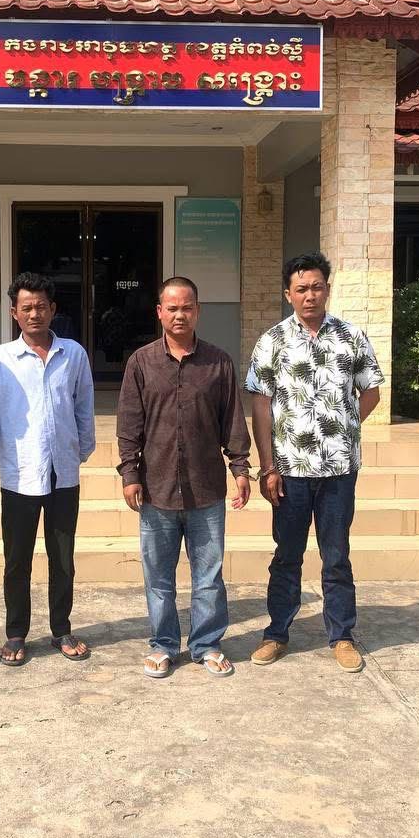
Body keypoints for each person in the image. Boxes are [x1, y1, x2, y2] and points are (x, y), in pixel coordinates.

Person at [246, 251, 385, 673]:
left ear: (327, 289)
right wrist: (267, 466)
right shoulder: (272, 341)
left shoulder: (351, 336)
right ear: (288, 294)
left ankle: (341, 636)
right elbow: (261, 405)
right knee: (287, 555)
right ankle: (276, 633)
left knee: (337, 555)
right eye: (301, 288)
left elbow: (371, 390)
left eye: (317, 287)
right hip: (289, 471)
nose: (310, 295)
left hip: (339, 470)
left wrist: (345, 425)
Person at [116, 277, 251, 679]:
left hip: (205, 488)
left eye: (187, 307)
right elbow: (129, 424)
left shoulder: (218, 363)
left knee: (208, 577)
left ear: (198, 311)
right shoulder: (141, 362)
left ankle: (206, 644)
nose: (180, 315)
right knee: (158, 578)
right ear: (159, 312)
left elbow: (232, 420)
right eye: (172, 308)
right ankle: (163, 645)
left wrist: (240, 468)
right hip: (156, 489)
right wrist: (129, 472)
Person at [0, 271, 95, 666]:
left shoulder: (73, 354)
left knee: (63, 559)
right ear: (14, 313)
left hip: (63, 475)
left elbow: (83, 406)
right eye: (26, 308)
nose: (34, 314)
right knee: (17, 560)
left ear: (53, 309)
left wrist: (79, 450)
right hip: (19, 475)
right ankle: (16, 632)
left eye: (41, 306)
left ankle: (61, 629)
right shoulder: (0, 360)